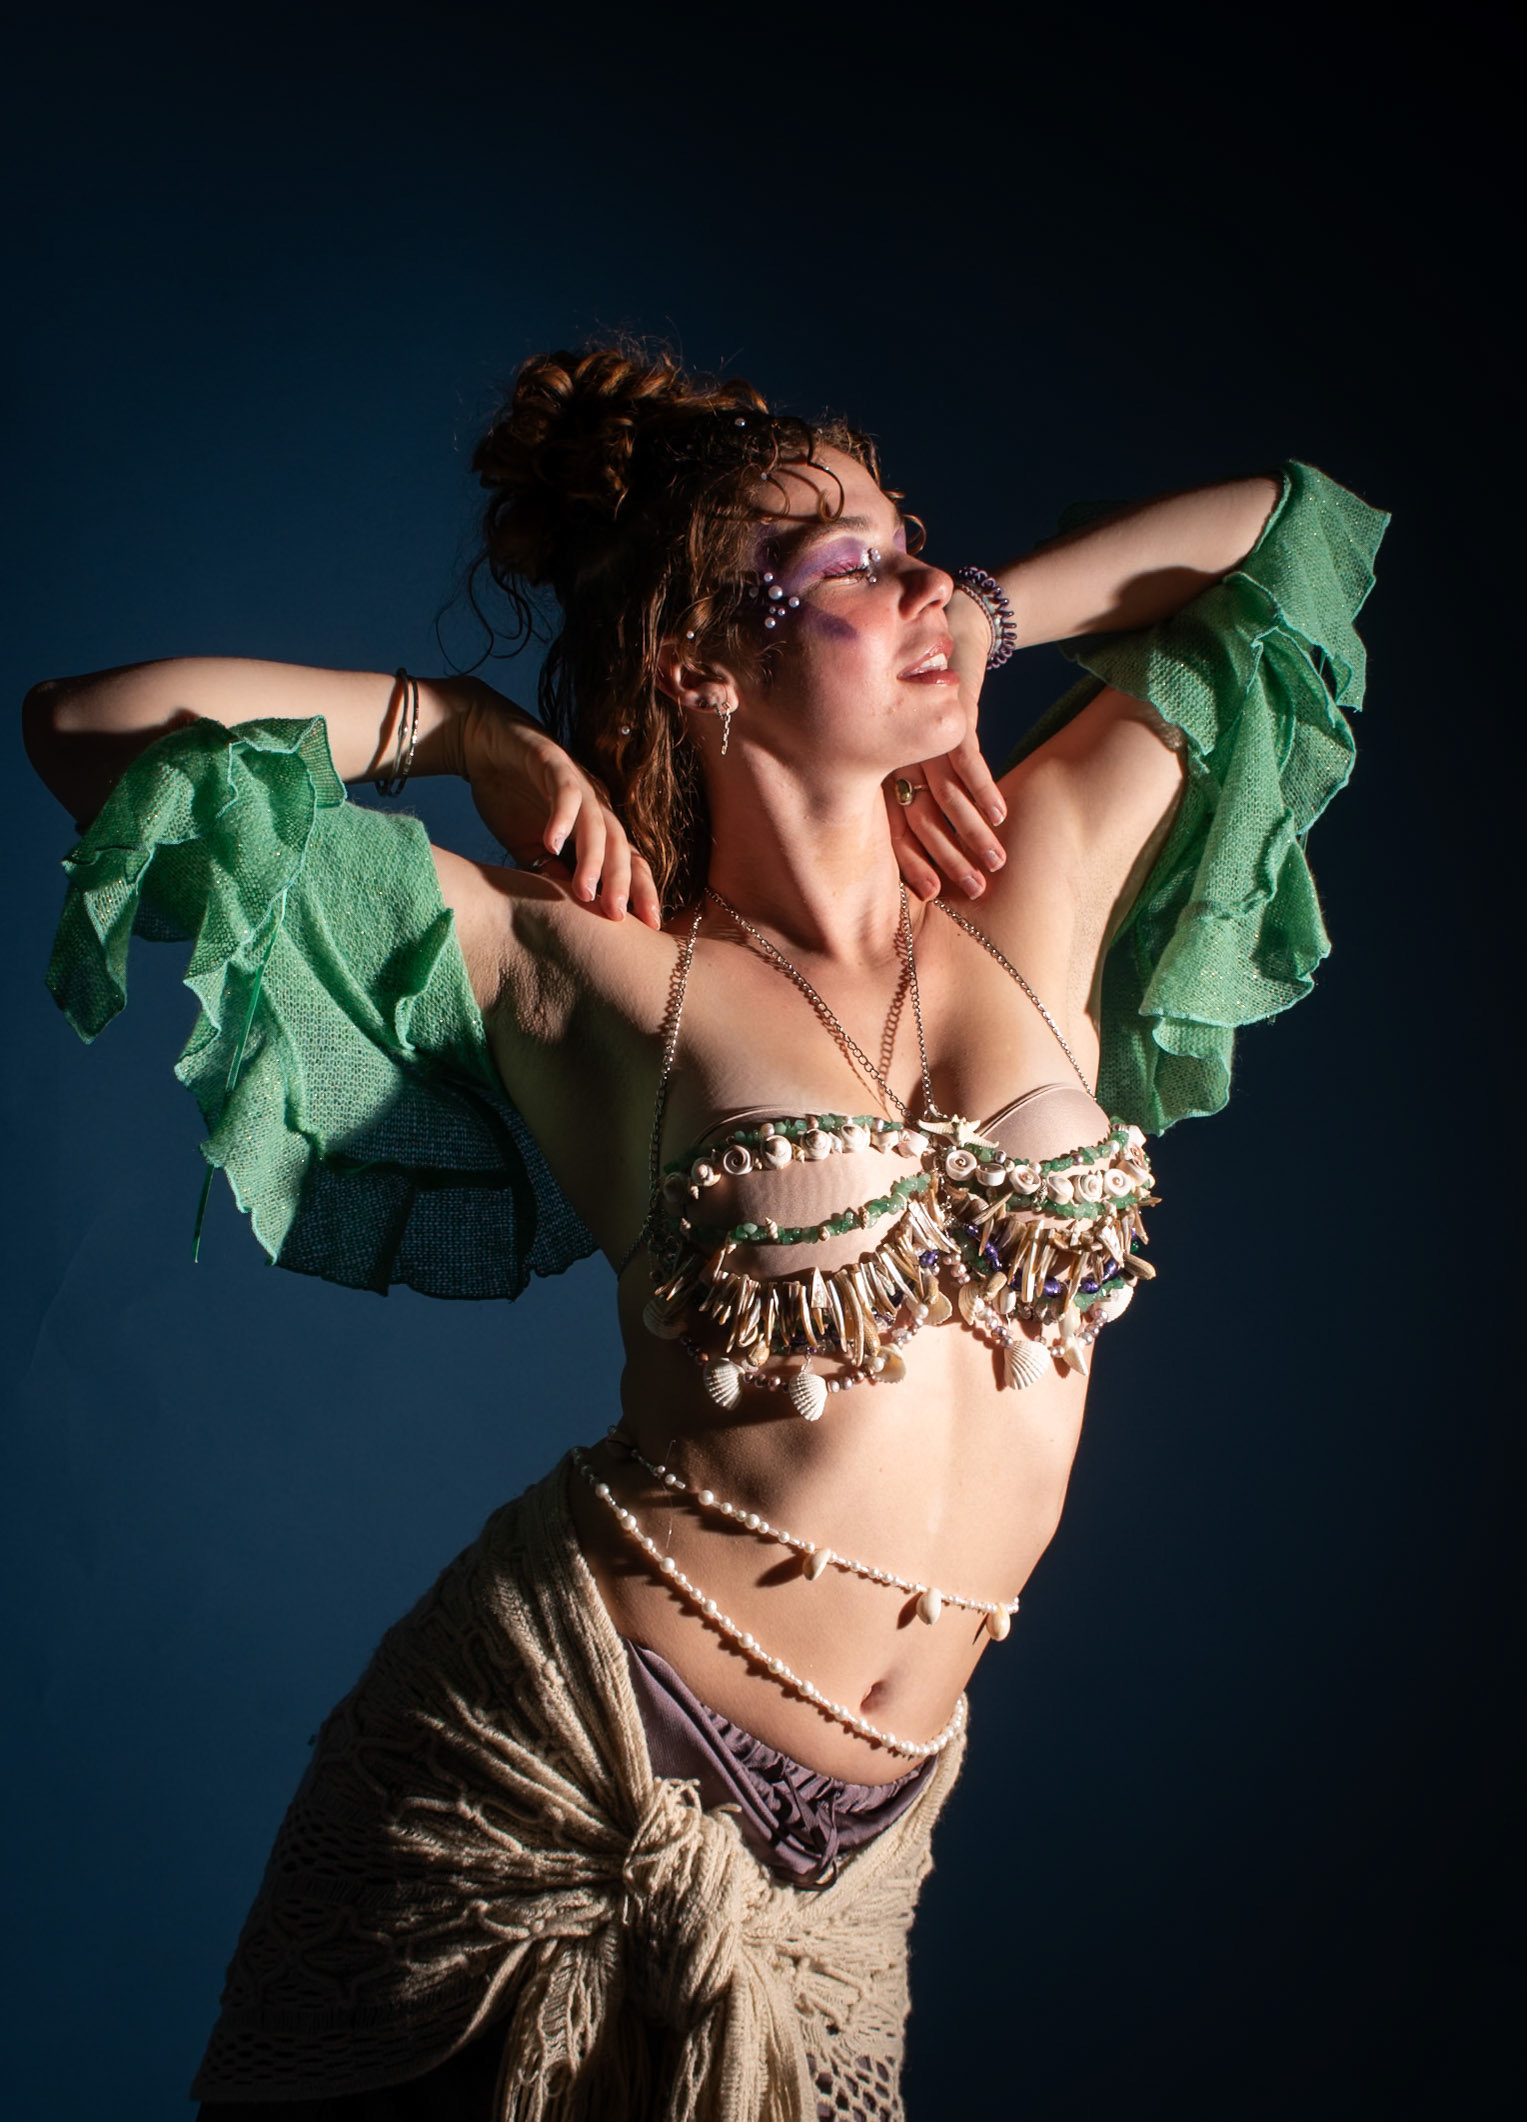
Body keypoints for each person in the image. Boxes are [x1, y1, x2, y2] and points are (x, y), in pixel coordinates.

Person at [25, 346, 1387, 2122]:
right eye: (850, 564)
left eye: (917, 540)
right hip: (563, 1765)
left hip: (858, 1862)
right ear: (698, 662)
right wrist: (459, 726)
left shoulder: (1041, 874)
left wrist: (986, 614)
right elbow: (89, 735)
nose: (920, 578)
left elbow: (1295, 539)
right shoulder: (603, 972)